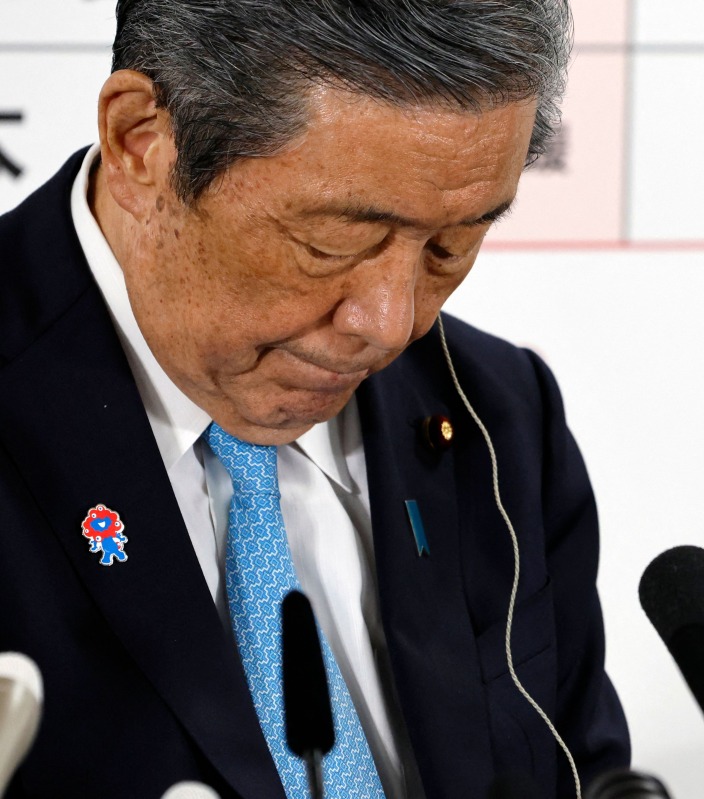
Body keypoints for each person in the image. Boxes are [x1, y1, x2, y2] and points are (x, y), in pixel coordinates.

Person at [0, 1, 630, 797]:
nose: (390, 324)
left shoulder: (499, 414)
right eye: (333, 244)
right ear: (142, 142)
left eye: (452, 246)